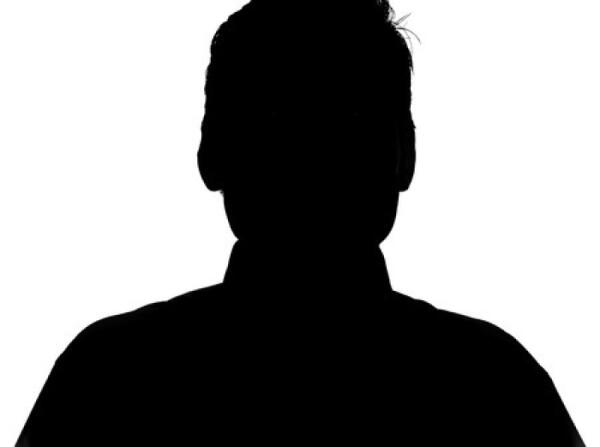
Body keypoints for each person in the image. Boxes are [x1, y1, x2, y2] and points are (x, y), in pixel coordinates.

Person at [17, 0, 585, 445]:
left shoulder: (113, 377)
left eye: (351, 119)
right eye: (277, 119)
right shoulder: (492, 383)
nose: (316, 152)